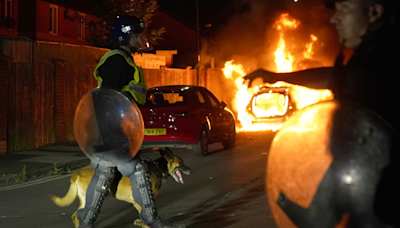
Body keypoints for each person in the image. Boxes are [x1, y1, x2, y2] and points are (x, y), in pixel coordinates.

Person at [251, 0, 400, 226]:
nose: (334, 18)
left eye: (345, 9)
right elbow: (336, 78)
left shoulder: (385, 58)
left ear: (374, 12)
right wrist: (277, 76)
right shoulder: (372, 54)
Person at [76, 15, 187, 228]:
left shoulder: (123, 60)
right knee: (135, 170)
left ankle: (86, 222)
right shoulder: (116, 61)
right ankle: (150, 220)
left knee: (104, 172)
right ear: (125, 36)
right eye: (136, 35)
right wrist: (113, 134)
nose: (140, 39)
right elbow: (107, 100)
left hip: (115, 131)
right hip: (112, 132)